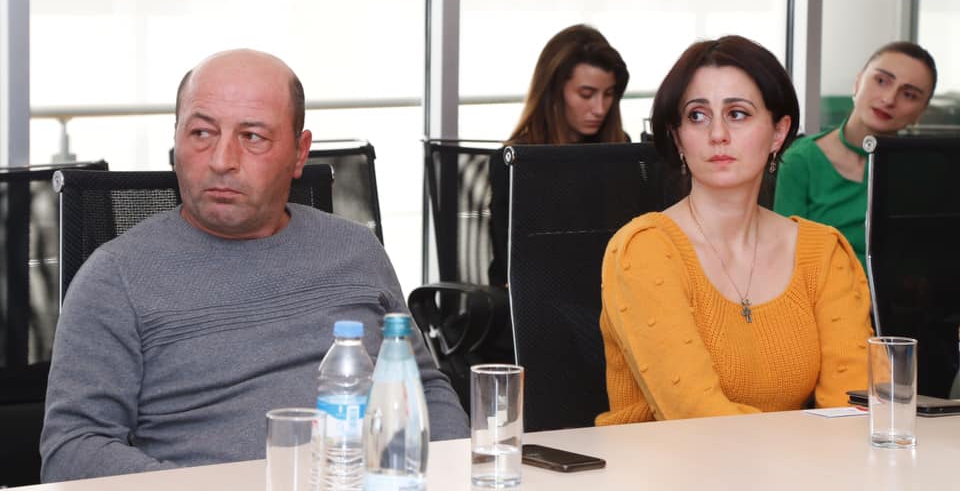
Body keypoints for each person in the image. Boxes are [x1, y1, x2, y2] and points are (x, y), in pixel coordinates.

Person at [40, 49, 469, 482]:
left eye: (252, 137)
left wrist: (450, 474)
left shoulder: (356, 249)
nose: (221, 160)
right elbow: (73, 449)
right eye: (202, 133)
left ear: (299, 153)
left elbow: (425, 391)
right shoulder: (116, 277)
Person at [596, 35, 873, 425]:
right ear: (677, 137)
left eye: (738, 113)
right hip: (662, 460)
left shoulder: (823, 251)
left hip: (798, 461)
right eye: (697, 115)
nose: (717, 134)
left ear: (779, 132)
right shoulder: (644, 250)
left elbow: (854, 409)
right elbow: (697, 417)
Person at [488, 24, 630, 286]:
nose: (599, 109)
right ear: (553, 91)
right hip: (540, 297)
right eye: (586, 94)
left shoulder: (620, 152)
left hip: (609, 290)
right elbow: (516, 263)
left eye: (609, 94)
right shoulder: (516, 162)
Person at [774, 41, 937, 269]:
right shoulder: (801, 160)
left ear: (920, 113)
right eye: (881, 81)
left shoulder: (924, 171)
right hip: (821, 288)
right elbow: (784, 256)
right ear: (858, 82)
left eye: (909, 95)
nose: (889, 99)